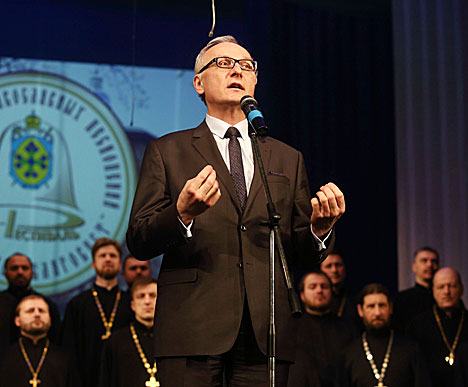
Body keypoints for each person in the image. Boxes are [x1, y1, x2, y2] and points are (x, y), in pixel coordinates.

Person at [126, 35, 345, 386]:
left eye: (246, 65)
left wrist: (320, 230)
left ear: (255, 81)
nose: (238, 71)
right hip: (192, 328)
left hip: (265, 333)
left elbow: (299, 254)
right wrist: (181, 215)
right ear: (199, 82)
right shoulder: (167, 151)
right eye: (224, 64)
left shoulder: (287, 158)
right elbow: (138, 238)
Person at [61, 238, 133, 387]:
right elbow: (69, 350)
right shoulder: (77, 304)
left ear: (120, 265)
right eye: (102, 255)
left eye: (112, 256)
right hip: (86, 378)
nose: (108, 259)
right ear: (93, 264)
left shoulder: (130, 303)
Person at [339, 283, 431, 387]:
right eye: (371, 306)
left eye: (382, 305)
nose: (377, 312)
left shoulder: (411, 350)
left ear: (390, 308)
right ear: (360, 311)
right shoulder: (349, 354)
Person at [287, 271, 354, 387]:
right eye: (313, 287)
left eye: (324, 286)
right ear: (302, 295)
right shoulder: (292, 329)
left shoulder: (348, 328)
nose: (319, 290)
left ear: (331, 292)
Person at [407, 267, 468, 387]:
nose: (447, 292)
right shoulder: (418, 325)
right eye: (441, 287)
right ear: (433, 291)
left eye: (452, 286)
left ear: (461, 289)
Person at [0, 295, 73, 387]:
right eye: (30, 311)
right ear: (17, 321)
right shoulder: (4, 357)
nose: (37, 314)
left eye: (41, 311)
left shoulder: (64, 358)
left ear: (50, 320)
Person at [100, 277, 158, 387]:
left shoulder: (172, 339)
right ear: (133, 305)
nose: (147, 301)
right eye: (141, 296)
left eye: (152, 295)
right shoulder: (116, 341)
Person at [1, 253, 61, 343]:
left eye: (24, 268)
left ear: (32, 273)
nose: (20, 272)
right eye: (14, 268)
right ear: (5, 273)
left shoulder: (46, 305)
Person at [393, 246, 440, 333]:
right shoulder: (402, 299)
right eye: (424, 260)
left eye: (433, 261)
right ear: (414, 267)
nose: (429, 265)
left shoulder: (446, 297)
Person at [320, 252, 356, 322]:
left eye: (338, 265)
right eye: (329, 266)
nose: (334, 270)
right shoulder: (315, 298)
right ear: (320, 270)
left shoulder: (354, 299)